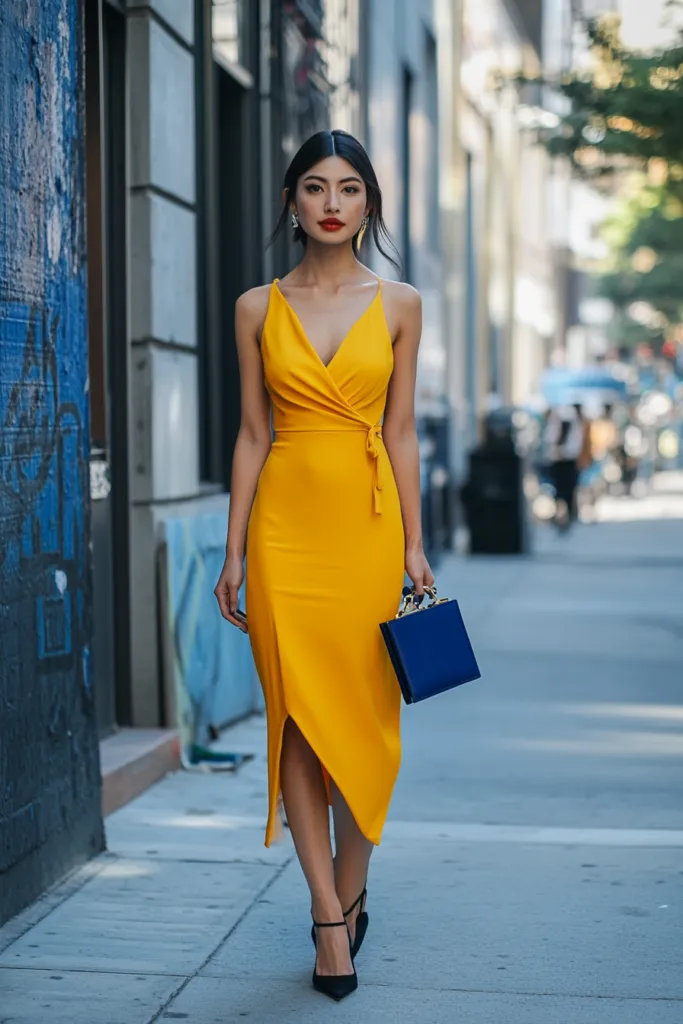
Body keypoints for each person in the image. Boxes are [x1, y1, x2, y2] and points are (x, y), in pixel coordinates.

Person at [213, 129, 433, 1002]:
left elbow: (402, 432)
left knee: (367, 730)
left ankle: (352, 887)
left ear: (369, 203)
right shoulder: (255, 308)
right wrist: (230, 551)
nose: (332, 203)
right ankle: (328, 920)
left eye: (348, 188)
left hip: (369, 529)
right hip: (283, 535)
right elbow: (253, 434)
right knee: (297, 726)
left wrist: (414, 544)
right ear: (291, 201)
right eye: (314, 187)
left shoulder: (402, 303)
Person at [544, 404, 585, 529]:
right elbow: (550, 442)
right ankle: (560, 513)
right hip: (558, 463)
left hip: (568, 462)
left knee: (569, 489)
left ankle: (570, 514)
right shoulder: (555, 425)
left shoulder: (574, 427)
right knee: (559, 489)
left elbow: (574, 447)